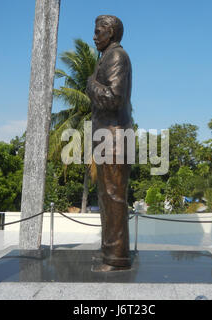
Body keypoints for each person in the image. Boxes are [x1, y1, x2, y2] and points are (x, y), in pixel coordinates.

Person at [86, 15, 133, 272]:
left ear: (110, 33)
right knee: (105, 197)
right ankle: (109, 252)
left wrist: (90, 84)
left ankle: (117, 258)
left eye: (98, 32)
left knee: (114, 198)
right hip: (106, 138)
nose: (94, 37)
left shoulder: (117, 57)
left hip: (115, 138)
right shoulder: (105, 57)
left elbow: (114, 97)